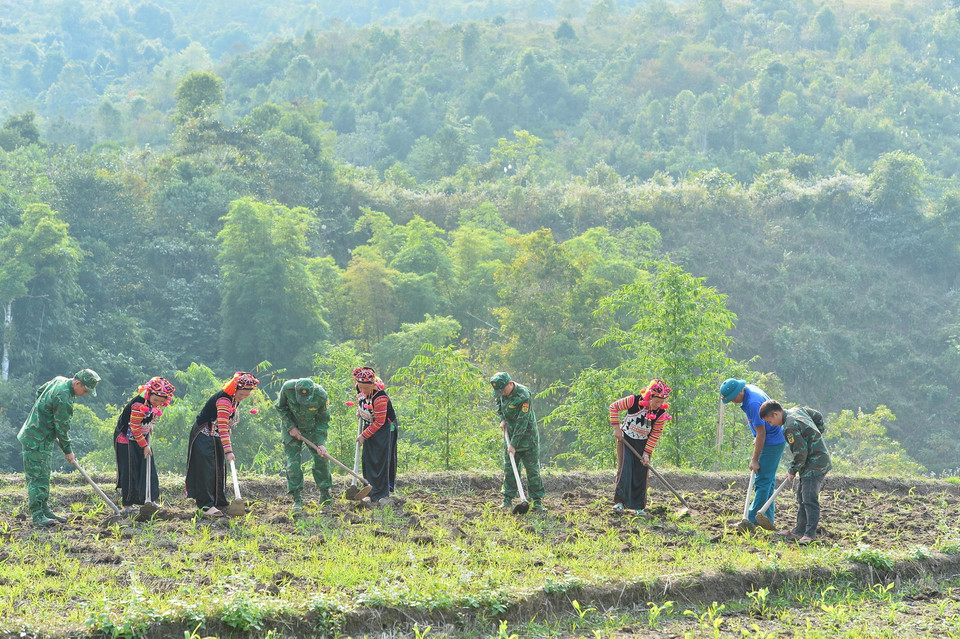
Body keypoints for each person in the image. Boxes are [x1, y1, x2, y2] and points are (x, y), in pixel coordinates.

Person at [17, 369, 100, 527]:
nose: (85, 394)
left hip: (42, 436)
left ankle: (44, 509)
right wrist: (68, 451)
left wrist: (45, 414)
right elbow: (62, 427)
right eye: (85, 390)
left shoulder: (59, 379)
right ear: (78, 383)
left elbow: (40, 391)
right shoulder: (64, 397)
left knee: (44, 475)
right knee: (37, 477)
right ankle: (37, 514)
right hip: (36, 439)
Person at [185, 371, 259, 516]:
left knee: (219, 467)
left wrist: (226, 434)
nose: (242, 397)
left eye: (246, 395)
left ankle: (219, 501)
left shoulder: (234, 398)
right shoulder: (224, 400)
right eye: (241, 394)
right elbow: (223, 427)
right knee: (207, 469)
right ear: (234, 389)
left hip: (216, 433)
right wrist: (229, 451)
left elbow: (225, 423)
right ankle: (206, 506)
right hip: (204, 434)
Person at [758, 400, 832, 545]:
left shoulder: (789, 427)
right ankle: (799, 531)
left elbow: (800, 453)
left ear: (776, 414)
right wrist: (817, 433)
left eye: (770, 421)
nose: (771, 425)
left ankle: (810, 535)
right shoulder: (797, 410)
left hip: (815, 464)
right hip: (810, 462)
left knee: (809, 498)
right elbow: (817, 415)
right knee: (801, 495)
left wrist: (792, 470)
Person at [720, 378, 786, 531]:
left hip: (772, 442)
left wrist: (755, 459)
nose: (733, 402)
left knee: (762, 481)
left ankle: (750, 521)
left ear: (739, 393)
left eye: (732, 399)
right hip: (771, 439)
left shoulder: (752, 403)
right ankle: (767, 519)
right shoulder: (748, 390)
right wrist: (757, 436)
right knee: (768, 482)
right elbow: (759, 431)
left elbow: (761, 433)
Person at [609, 379, 672, 517]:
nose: (658, 405)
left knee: (641, 474)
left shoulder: (661, 414)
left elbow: (655, 434)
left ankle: (639, 507)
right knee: (625, 469)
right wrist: (616, 428)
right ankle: (619, 503)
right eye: (656, 401)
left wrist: (647, 453)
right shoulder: (633, 400)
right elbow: (613, 407)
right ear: (649, 396)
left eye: (661, 402)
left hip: (643, 444)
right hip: (625, 440)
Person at [114, 377, 175, 515]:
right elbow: (135, 428)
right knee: (130, 471)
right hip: (127, 438)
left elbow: (150, 415)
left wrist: (149, 425)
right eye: (155, 400)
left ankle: (150, 500)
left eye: (161, 401)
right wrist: (145, 446)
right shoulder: (138, 405)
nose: (157, 403)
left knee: (148, 467)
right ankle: (127, 505)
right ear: (149, 394)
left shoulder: (153, 403)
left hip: (142, 436)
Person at [490, 372, 545, 512]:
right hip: (510, 435)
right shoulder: (501, 393)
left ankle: (537, 501)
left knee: (532, 471)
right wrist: (502, 419)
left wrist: (513, 444)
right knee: (509, 469)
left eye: (503, 390)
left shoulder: (523, 395)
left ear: (510, 383)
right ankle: (507, 499)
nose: (502, 393)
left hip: (527, 438)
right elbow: (499, 404)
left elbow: (522, 422)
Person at [276, 377, 332, 511]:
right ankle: (297, 498)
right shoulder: (287, 388)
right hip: (291, 429)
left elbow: (323, 421)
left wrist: (321, 443)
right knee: (293, 463)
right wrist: (290, 427)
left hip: (312, 429)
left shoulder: (321, 396)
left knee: (321, 458)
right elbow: (280, 407)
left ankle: (325, 494)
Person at [353, 367, 398, 504]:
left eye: (366, 388)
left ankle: (381, 494)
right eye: (360, 387)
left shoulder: (380, 398)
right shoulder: (360, 391)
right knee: (368, 459)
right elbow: (362, 403)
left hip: (384, 429)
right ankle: (369, 491)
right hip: (369, 426)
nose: (363, 390)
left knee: (380, 461)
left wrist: (363, 435)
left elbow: (379, 421)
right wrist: (360, 411)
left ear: (372, 385)